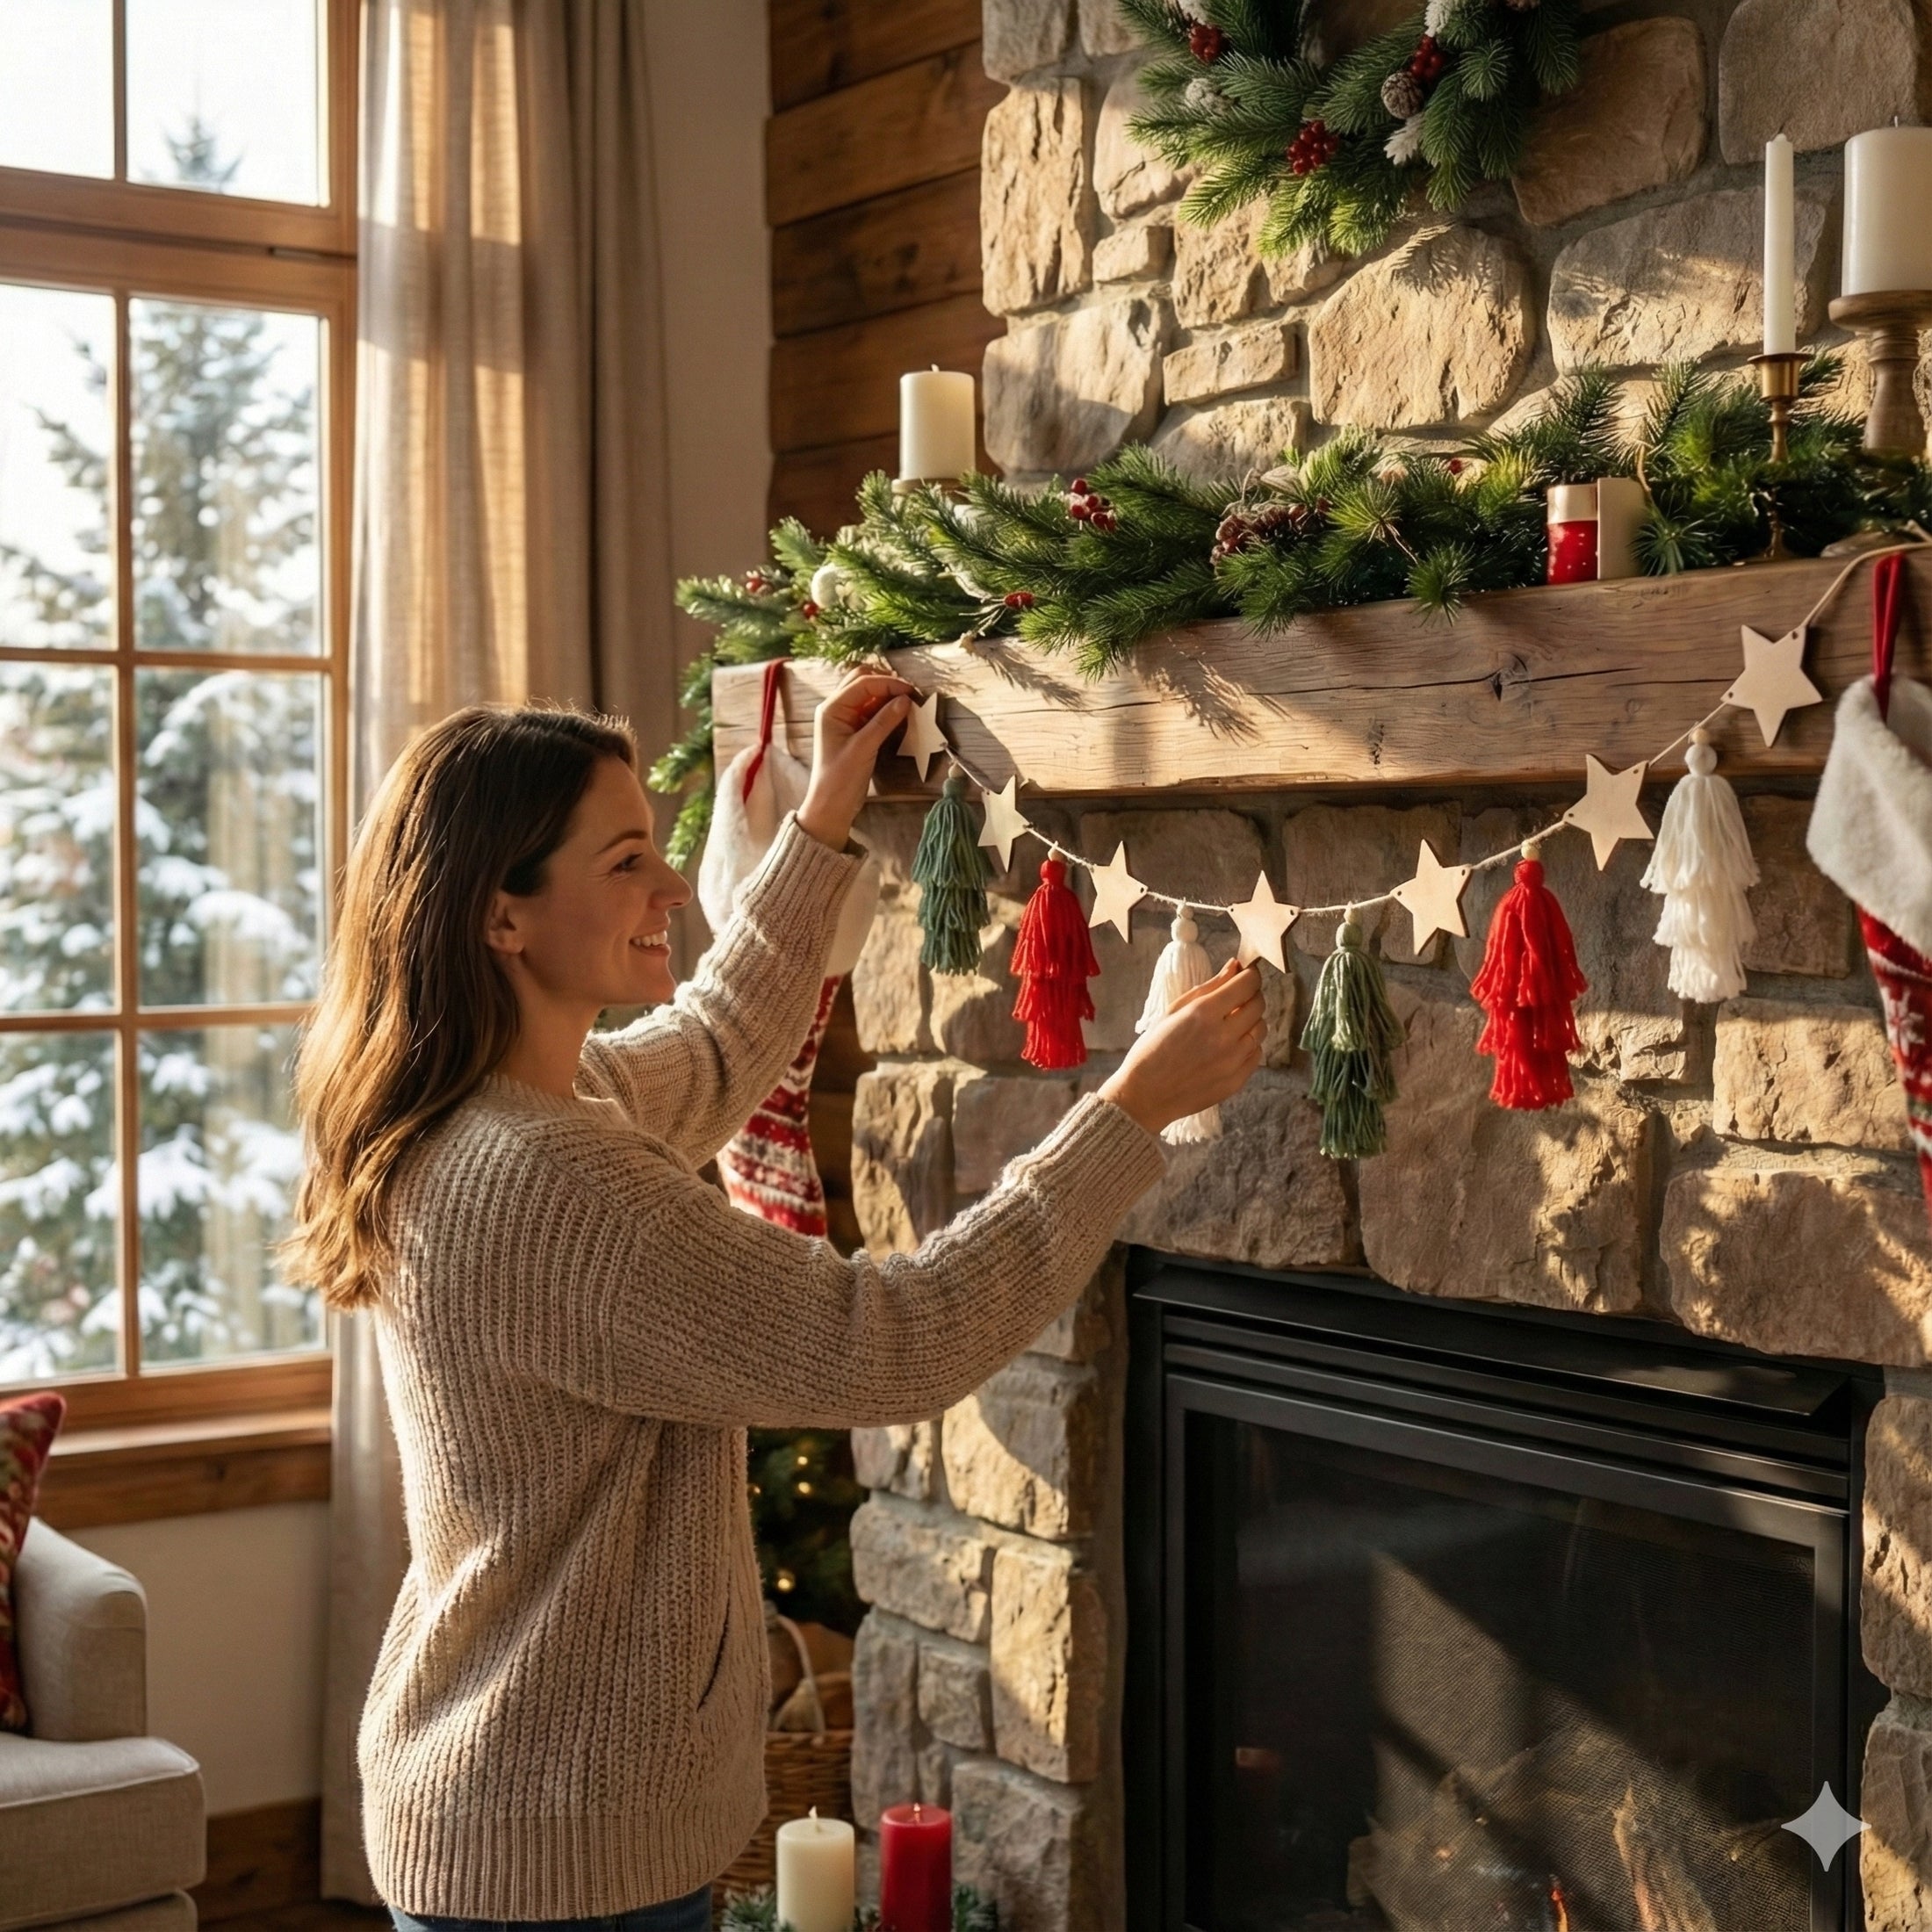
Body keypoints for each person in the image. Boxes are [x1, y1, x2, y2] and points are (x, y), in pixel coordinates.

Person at [286, 670, 1265, 1932]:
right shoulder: (545, 1182)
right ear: (503, 917)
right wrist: (1129, 1112)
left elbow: (712, 1049)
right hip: (560, 1850)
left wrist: (822, 825)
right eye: (628, 859)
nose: (673, 889)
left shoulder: (519, 1106)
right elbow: (892, 1342)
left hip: (517, 1806)